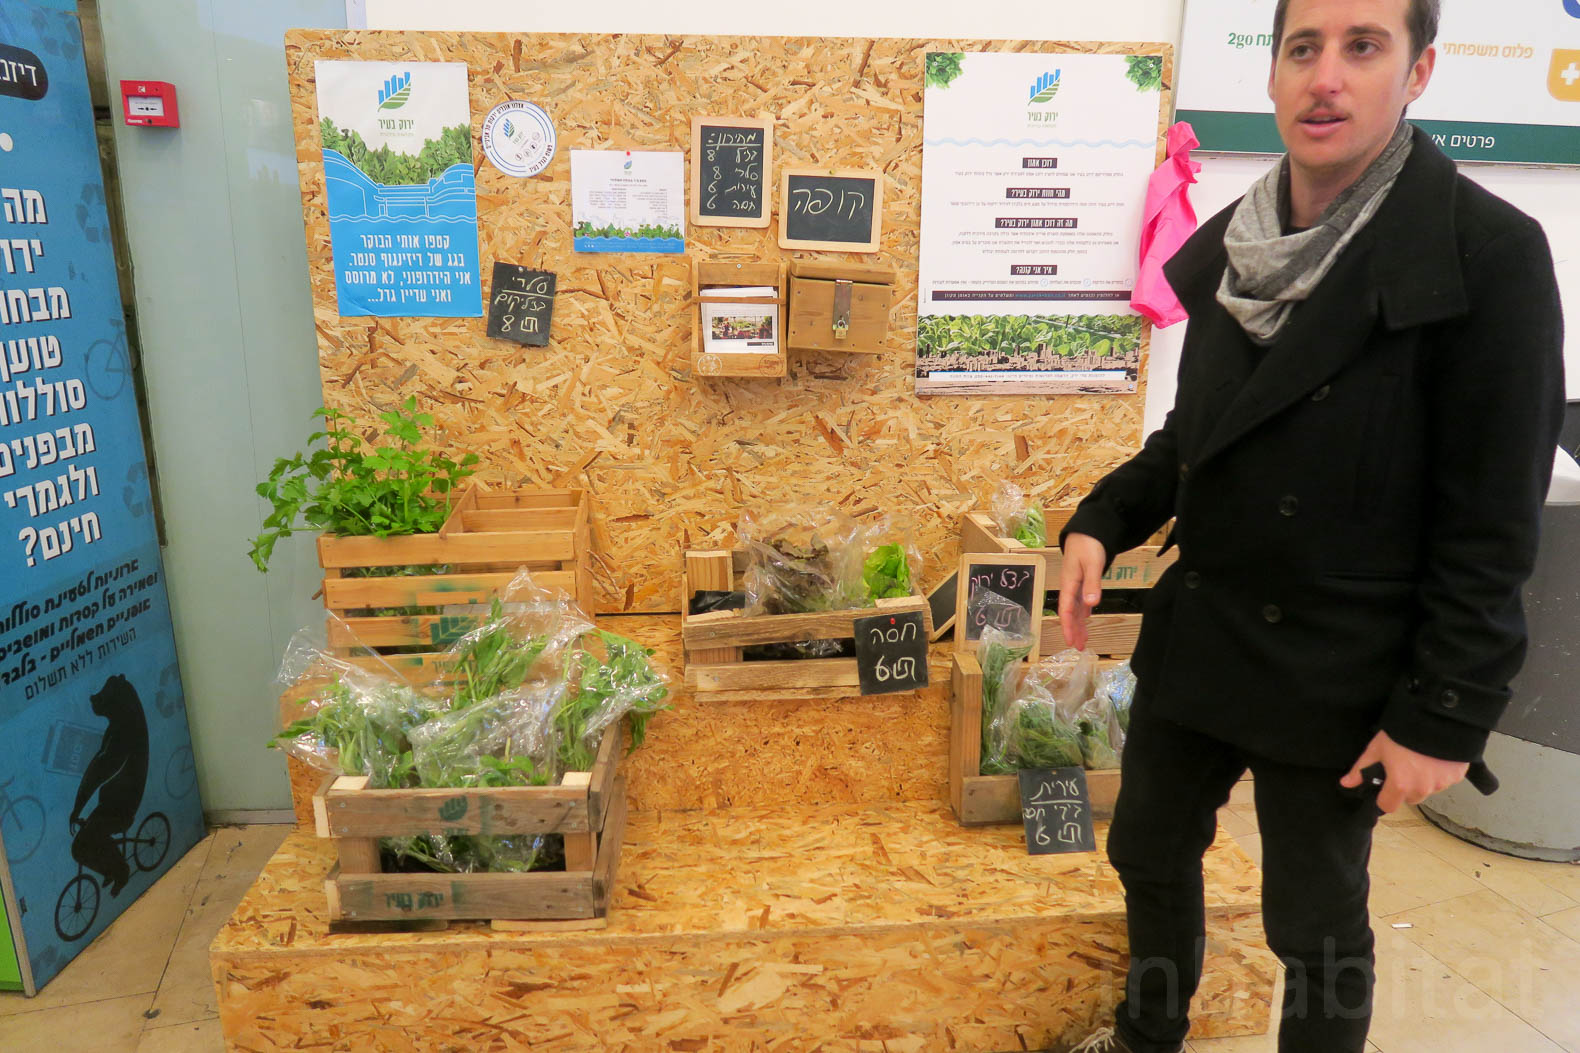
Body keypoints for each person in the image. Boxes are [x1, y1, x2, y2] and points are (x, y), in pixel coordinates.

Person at [1057, 1, 1565, 1051]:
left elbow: (1489, 527)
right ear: (1272, 73)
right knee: (1146, 853)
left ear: (1416, 72)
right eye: (1301, 48)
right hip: (1203, 637)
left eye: (1360, 47)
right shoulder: (1234, 247)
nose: (1323, 76)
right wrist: (1101, 519)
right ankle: (1146, 1032)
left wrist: (1443, 711)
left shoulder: (1487, 257)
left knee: (1313, 926)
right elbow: (1194, 440)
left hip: (1339, 667)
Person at [69, 673, 150, 897]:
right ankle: (112, 869)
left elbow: (100, 769)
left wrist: (78, 807)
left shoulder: (123, 729)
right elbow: (100, 764)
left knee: (81, 846)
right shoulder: (123, 724)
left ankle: (120, 871)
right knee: (84, 843)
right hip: (113, 804)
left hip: (119, 808)